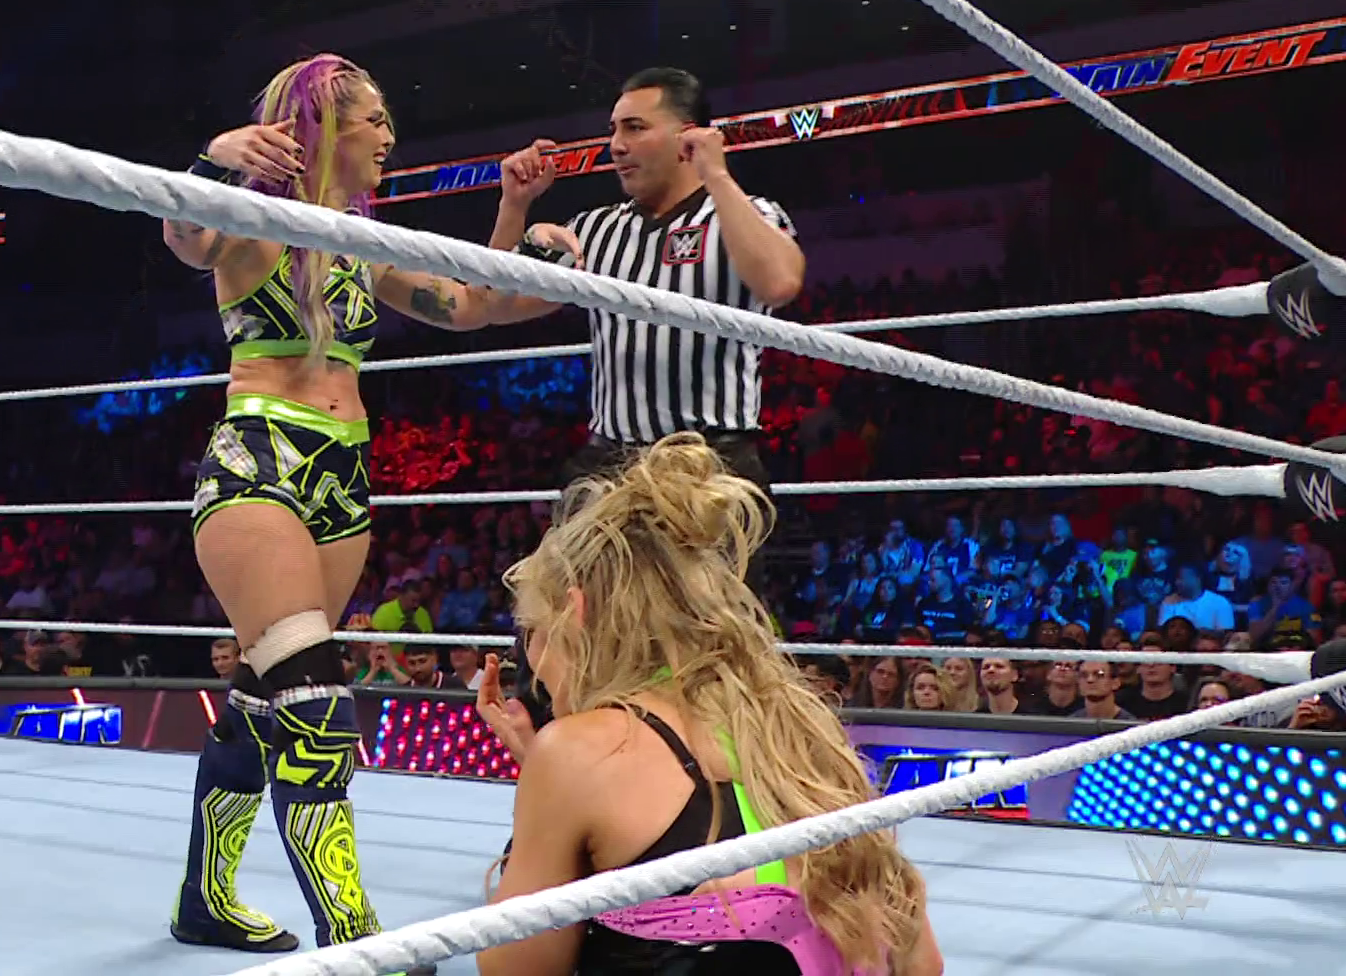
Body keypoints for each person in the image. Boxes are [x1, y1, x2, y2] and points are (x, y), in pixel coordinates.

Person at [160, 52, 549, 962]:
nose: (388, 136)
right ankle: (356, 940)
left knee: (266, 695)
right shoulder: (254, 221)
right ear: (322, 128)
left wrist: (514, 211)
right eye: (372, 119)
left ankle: (204, 900)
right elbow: (186, 237)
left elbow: (472, 306)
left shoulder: (363, 244)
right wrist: (216, 156)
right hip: (259, 464)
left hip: (342, 477)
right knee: (317, 707)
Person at [471, 434, 940, 975]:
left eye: (531, 631)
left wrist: (546, 791)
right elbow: (922, 961)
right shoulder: (806, 730)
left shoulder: (576, 754)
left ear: (574, 614)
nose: (533, 663)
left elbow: (514, 968)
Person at [485, 67, 806, 727]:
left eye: (634, 128)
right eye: (613, 129)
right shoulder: (597, 231)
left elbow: (779, 281)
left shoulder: (743, 215)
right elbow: (490, 302)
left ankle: (711, 781)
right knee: (555, 629)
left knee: (712, 649)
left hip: (710, 466)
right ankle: (557, 769)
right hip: (610, 463)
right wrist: (515, 207)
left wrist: (717, 176)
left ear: (687, 137)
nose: (616, 145)